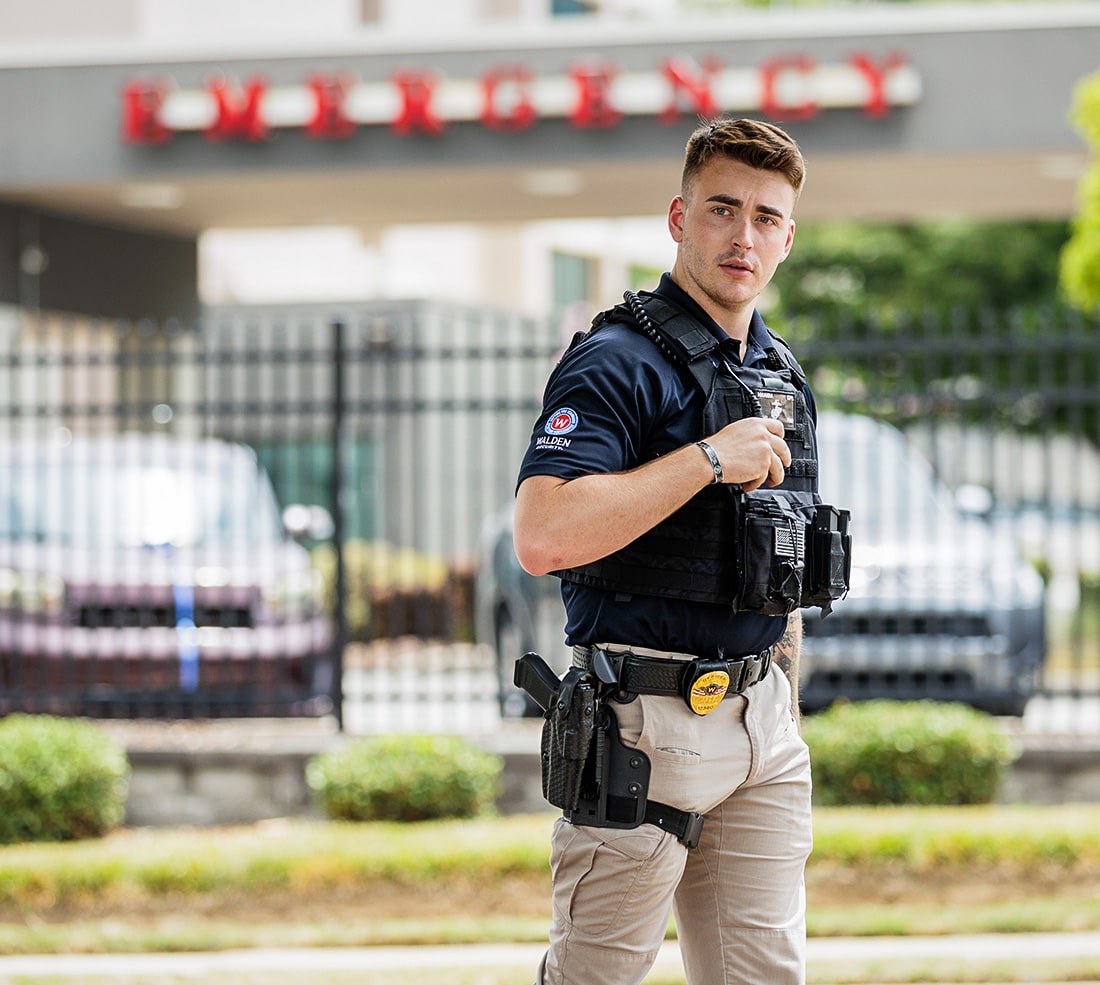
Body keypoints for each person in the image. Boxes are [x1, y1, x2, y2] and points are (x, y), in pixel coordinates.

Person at [513, 118, 834, 985]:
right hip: (643, 730)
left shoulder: (780, 372)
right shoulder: (615, 361)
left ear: (788, 238)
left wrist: (780, 702)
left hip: (762, 728)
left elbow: (782, 563)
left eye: (767, 217)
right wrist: (705, 461)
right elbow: (541, 534)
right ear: (678, 218)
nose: (744, 235)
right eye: (722, 209)